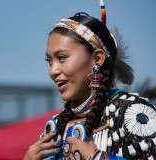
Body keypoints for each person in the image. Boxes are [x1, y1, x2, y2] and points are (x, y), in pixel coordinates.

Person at [23, 3, 156, 160]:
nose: (53, 71)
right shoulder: (55, 127)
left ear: (97, 59)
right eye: (49, 61)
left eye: (62, 58)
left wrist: (97, 157)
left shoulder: (132, 114)